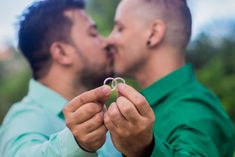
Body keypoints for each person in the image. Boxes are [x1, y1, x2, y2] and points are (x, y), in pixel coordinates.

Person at [103, 0, 235, 156]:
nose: (108, 40)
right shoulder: (156, 104)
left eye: (119, 28)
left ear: (153, 33)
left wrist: (144, 150)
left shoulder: (194, 113)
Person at [0, 0, 121, 156]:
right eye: (93, 33)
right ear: (62, 53)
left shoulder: (105, 114)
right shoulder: (23, 120)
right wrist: (77, 144)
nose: (106, 42)